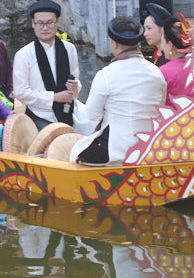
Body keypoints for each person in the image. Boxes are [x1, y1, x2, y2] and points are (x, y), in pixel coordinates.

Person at [69, 17, 166, 166]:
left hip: (118, 150)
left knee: (75, 153)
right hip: (150, 146)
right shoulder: (157, 73)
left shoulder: (106, 74)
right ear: (138, 43)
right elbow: (161, 107)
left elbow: (91, 114)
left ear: (114, 43)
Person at [11, 0, 81, 130]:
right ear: (33, 23)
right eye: (40, 23)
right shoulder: (23, 54)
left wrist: (75, 86)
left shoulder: (69, 49)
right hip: (40, 114)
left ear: (57, 22)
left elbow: (75, 78)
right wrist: (53, 97)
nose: (45, 28)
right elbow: (21, 92)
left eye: (49, 22)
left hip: (69, 109)